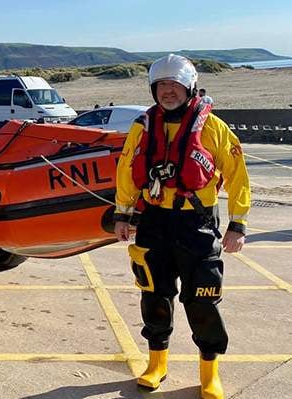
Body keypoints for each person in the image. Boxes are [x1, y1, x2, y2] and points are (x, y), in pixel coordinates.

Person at [113, 54, 250, 399]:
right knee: (154, 293)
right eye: (161, 85)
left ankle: (209, 371)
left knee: (203, 296)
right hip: (155, 221)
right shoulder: (142, 127)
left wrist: (238, 222)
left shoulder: (214, 128)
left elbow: (237, 176)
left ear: (189, 87)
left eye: (174, 84)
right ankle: (156, 363)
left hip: (197, 223)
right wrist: (122, 213)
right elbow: (127, 170)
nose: (168, 91)